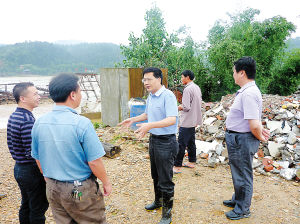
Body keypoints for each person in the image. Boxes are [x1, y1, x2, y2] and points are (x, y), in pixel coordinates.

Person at [31, 73, 112, 223]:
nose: (81, 95)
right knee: (91, 219)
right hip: (78, 190)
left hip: (53, 188)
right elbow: (94, 162)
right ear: (73, 95)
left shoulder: (39, 123)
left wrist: (47, 177)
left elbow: (37, 157)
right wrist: (106, 182)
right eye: (80, 91)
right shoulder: (82, 123)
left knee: (63, 220)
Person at [119, 67, 178, 224]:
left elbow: (172, 119)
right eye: (144, 80)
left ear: (159, 79)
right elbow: (147, 114)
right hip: (155, 140)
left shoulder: (168, 96)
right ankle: (158, 201)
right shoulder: (151, 96)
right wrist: (133, 120)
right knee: (155, 174)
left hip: (166, 141)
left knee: (165, 179)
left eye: (149, 79)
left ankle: (167, 213)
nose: (146, 82)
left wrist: (149, 125)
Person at [224, 57, 270, 220]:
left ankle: (243, 209)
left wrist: (260, 137)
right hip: (238, 138)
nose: (233, 75)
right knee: (238, 171)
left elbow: (254, 125)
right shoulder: (247, 91)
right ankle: (238, 199)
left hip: (242, 139)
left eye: (234, 72)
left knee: (243, 174)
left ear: (242, 73)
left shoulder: (249, 93)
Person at [7, 82, 49, 224]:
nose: (39, 96)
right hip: (30, 170)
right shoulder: (27, 120)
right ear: (23, 98)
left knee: (26, 205)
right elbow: (32, 152)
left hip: (19, 168)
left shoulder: (14, 116)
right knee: (38, 209)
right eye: (35, 94)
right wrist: (44, 172)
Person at [173, 70, 202, 174]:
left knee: (181, 143)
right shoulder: (196, 87)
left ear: (187, 77)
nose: (181, 79)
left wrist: (177, 107)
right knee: (190, 142)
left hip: (187, 120)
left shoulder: (187, 89)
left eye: (182, 77)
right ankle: (192, 161)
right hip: (194, 119)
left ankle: (177, 166)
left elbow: (186, 107)